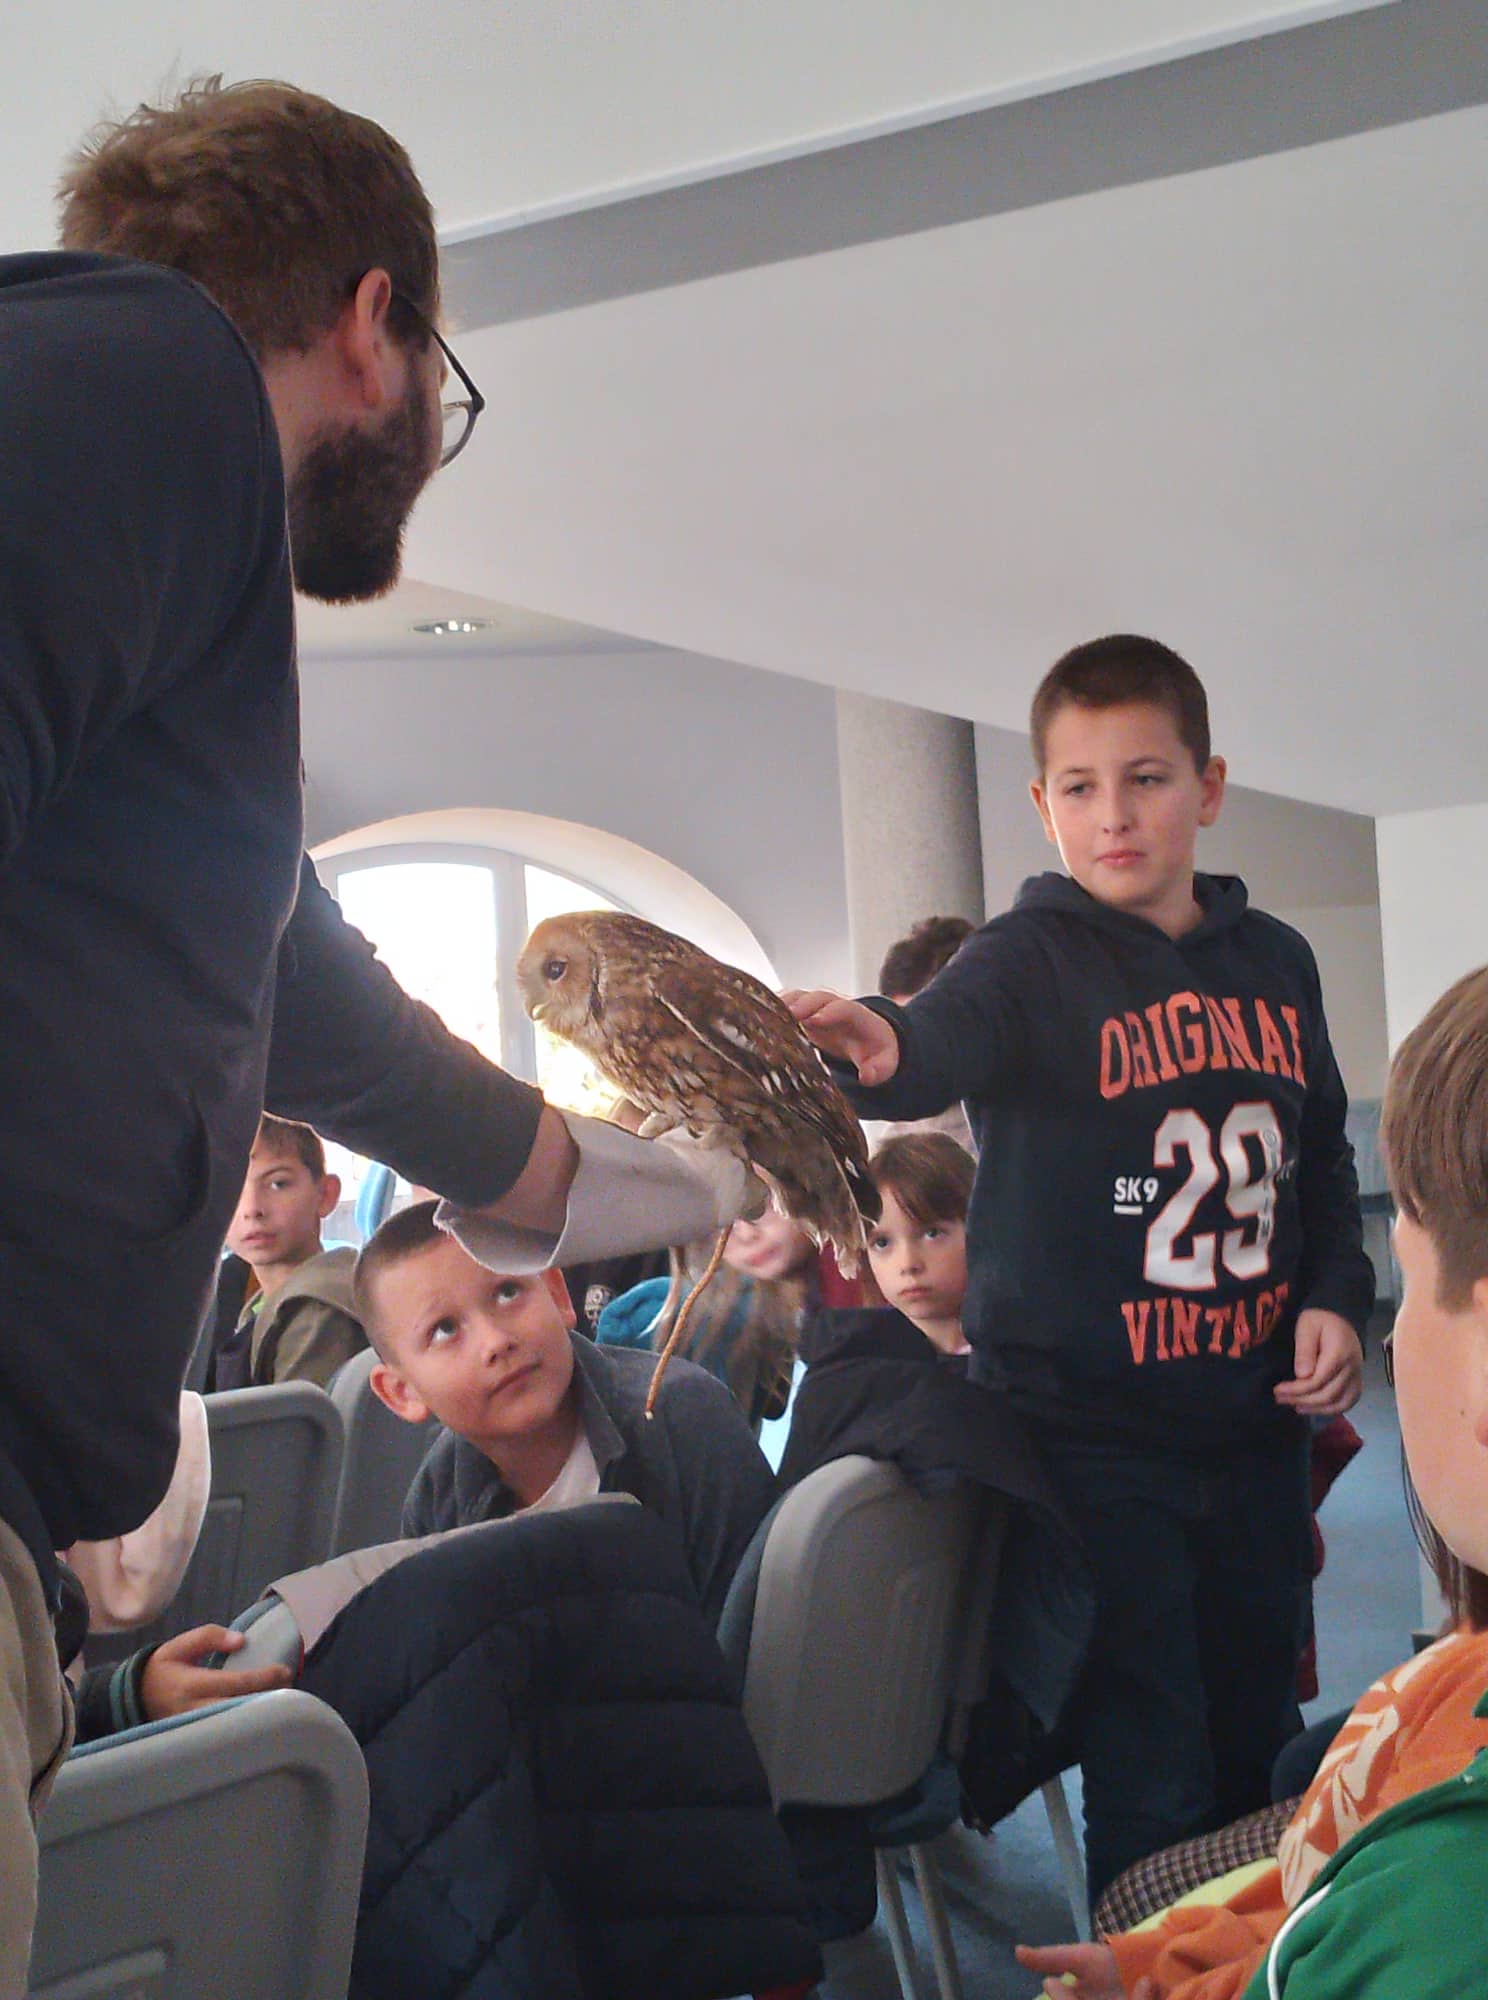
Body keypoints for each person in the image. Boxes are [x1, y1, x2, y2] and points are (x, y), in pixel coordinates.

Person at [0, 78, 757, 1986]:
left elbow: (311, 998)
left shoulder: (152, 573)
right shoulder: (156, 375)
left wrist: (591, 1182)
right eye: (437, 383)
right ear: (371, 326)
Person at [787, 634, 1374, 1902]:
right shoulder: (1026, 956)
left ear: (1207, 788)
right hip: (1092, 1442)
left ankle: (1238, 1970)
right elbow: (933, 1037)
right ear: (1043, 804)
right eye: (1082, 786)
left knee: (1260, 1748)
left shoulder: (1279, 961)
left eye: (1147, 778)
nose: (1116, 814)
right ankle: (1145, 1975)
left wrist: (1335, 1294)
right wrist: (876, 1041)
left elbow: (1321, 1156)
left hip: (1253, 1432)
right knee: (1152, 1763)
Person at [1017, 963, 1488, 1999]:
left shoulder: (1444, 1910)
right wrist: (1156, 1964)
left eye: (1406, 1276)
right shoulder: (1457, 1684)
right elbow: (1316, 1894)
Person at [355, 1202, 778, 1626]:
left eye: (507, 1292)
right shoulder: (438, 1496)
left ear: (556, 1294)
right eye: (445, 1330)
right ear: (402, 1392)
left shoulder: (682, 1421)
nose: (495, 1341)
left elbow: (758, 1633)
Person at [596, 1208, 829, 1424]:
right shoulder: (695, 1314)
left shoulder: (831, 1299)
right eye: (717, 1219)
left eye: (761, 1202)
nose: (746, 1234)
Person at [210, 1115, 365, 1390]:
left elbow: (296, 1418)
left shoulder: (315, 1310)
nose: (252, 1209)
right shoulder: (260, 1302)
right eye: (231, 1188)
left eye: (278, 1184)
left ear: (325, 1195)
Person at [864, 1134, 975, 1358]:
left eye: (932, 1234)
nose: (908, 1264)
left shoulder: (1024, 1354)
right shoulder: (859, 1362)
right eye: (882, 1243)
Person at [876, 917, 977, 1150]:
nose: (909, 1050)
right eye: (898, 1029)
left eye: (922, 1029)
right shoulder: (895, 1144)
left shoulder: (1026, 1125)